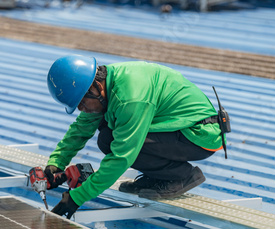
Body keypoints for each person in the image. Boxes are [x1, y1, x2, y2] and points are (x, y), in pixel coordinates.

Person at [46, 55, 225, 218]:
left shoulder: (130, 98)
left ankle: (181, 177)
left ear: (96, 87)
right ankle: (158, 177)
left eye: (82, 103)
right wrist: (56, 163)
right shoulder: (100, 84)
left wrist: (78, 197)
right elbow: (81, 128)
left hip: (198, 135)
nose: (81, 109)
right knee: (107, 136)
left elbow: (122, 156)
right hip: (175, 128)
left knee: (118, 142)